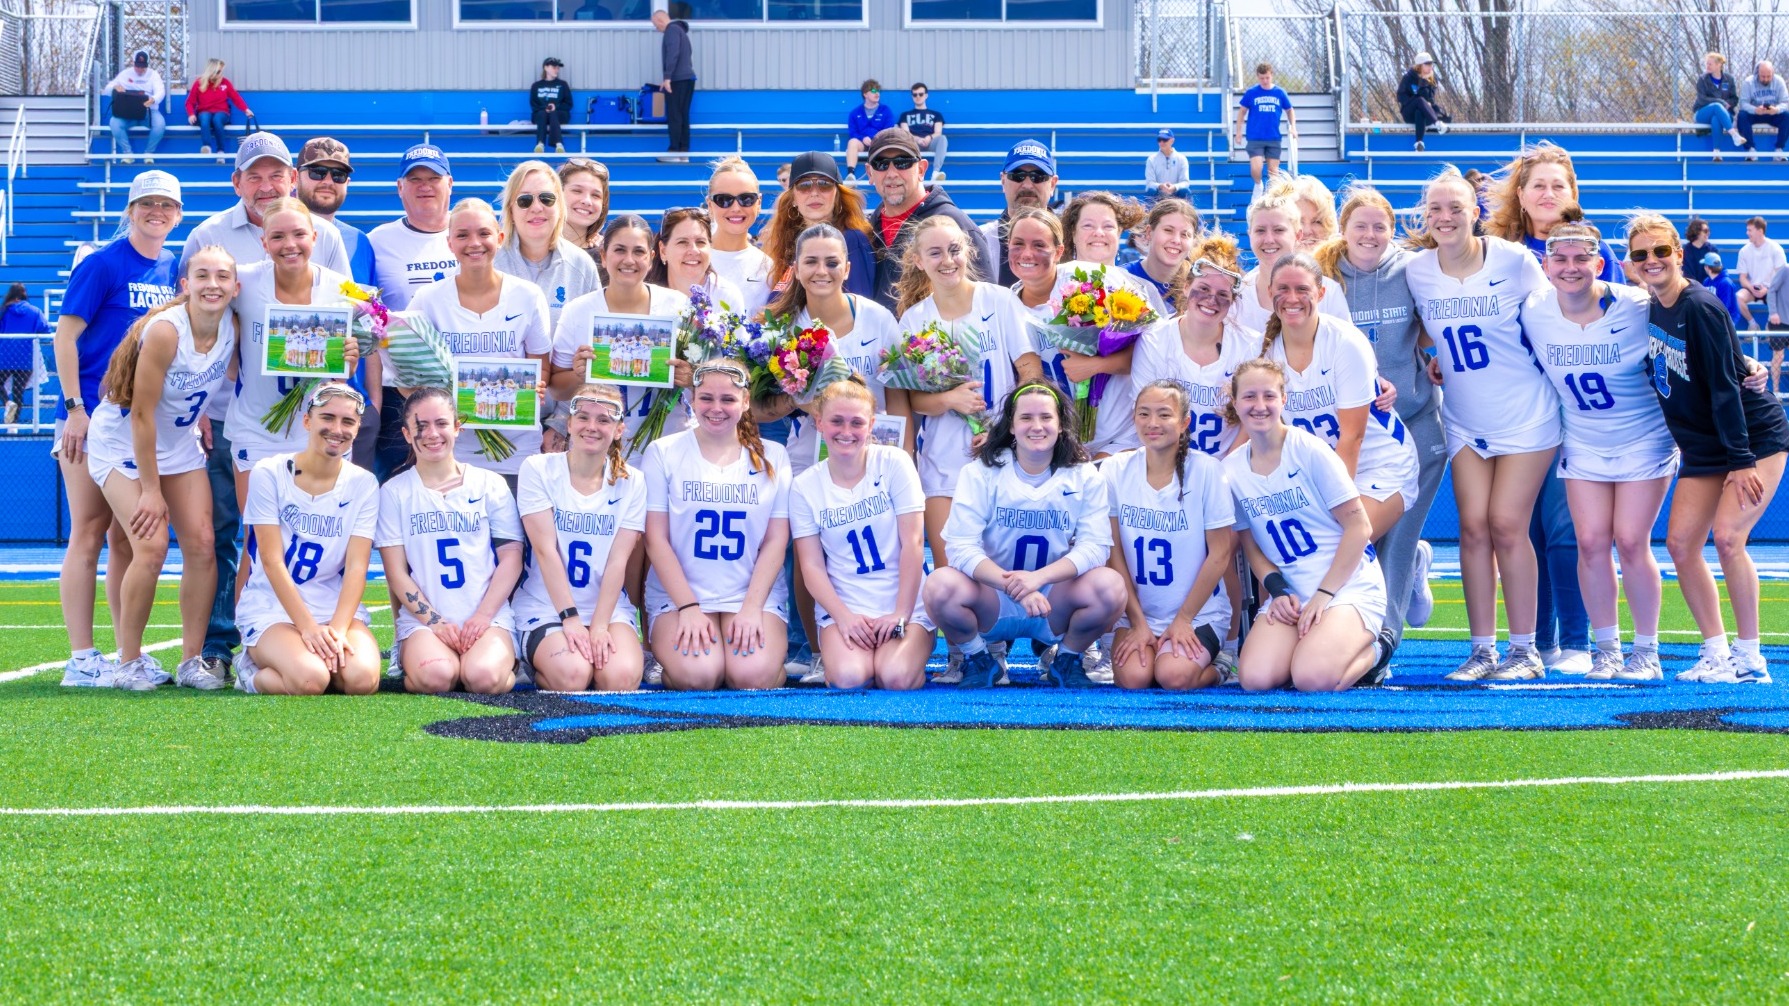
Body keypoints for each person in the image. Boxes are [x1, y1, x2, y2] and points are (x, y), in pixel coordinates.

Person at [1405, 167, 1556, 682]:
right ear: (1425, 216)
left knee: (1507, 525)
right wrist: (1431, 353)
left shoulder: (1514, 260)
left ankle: (1526, 651)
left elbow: (1555, 313)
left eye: (1456, 208)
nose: (1445, 217)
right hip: (1465, 417)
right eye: (1436, 209)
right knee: (1472, 529)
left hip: (1526, 412)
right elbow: (1419, 326)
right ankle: (1483, 650)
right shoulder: (1417, 269)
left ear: (1476, 213)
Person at [1628, 213, 1789, 683]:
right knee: (1680, 543)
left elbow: (1724, 388)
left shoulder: (1700, 306)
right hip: (1703, 444)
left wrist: (1740, 461)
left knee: (1728, 538)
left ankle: (1750, 657)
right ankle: (1716, 651)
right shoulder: (1654, 305)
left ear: (1680, 253)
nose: (1651, 260)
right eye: (1641, 254)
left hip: (1750, 437)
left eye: (1660, 251)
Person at [1523, 222, 1673, 681]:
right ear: (1545, 267)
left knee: (1630, 541)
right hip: (1583, 439)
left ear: (1599, 265)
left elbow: (1693, 328)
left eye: (1580, 259)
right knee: (1589, 543)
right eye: (1561, 260)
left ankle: (1646, 652)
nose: (1571, 268)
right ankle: (1606, 648)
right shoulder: (1533, 309)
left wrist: (1742, 361)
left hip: (1643, 436)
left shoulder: (1636, 304)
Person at [1485, 142, 1614, 674]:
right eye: (1538, 184)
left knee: (1568, 529)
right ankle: (1532, 642)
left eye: (1558, 185)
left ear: (1572, 194)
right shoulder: (1494, 252)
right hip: (1516, 410)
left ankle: (1578, 642)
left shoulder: (1592, 249)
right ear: (1521, 193)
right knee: (1522, 530)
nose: (1547, 193)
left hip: (1578, 412)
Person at [85, 247, 237, 691]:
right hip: (124, 441)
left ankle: (193, 660)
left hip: (177, 442)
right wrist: (151, 490)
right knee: (150, 546)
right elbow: (141, 416)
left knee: (204, 543)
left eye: (222, 276)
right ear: (185, 285)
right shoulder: (167, 332)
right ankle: (128, 662)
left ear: (235, 286)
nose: (213, 284)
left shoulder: (233, 326)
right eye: (202, 275)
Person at [53, 170, 181, 688]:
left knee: (125, 541)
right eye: (146, 203)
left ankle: (126, 652)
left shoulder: (173, 266)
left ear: (178, 214)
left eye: (166, 205)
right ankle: (81, 657)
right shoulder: (103, 263)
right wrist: (74, 408)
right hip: (89, 417)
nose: (156, 212)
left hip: (139, 423)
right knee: (86, 533)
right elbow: (65, 337)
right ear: (130, 210)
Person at [922, 383, 1125, 689]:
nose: (1037, 426)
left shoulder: (1084, 475)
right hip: (994, 598)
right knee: (939, 585)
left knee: (1110, 587)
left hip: (1053, 599)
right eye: (1026, 418)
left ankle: (1067, 661)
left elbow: (1095, 548)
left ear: (1061, 424)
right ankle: (980, 660)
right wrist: (1016, 585)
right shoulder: (980, 472)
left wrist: (1038, 579)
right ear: (1012, 425)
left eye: (1046, 417)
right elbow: (960, 547)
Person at [1313, 185, 1446, 646]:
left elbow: (1439, 323)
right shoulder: (1324, 278)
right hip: (1359, 430)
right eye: (1360, 226)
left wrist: (1435, 356)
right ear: (1343, 230)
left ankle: (1384, 638)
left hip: (1415, 415)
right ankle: (1407, 576)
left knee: (1400, 534)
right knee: (1360, 534)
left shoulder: (1413, 269)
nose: (1370, 235)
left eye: (1380, 226)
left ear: (1392, 229)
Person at [1224, 359, 1390, 691]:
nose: (1260, 406)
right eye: (1249, 397)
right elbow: (1251, 545)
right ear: (1235, 402)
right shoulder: (1231, 470)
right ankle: (1315, 646)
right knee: (1255, 679)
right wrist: (1277, 590)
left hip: (1345, 586)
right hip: (1293, 593)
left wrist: (1323, 596)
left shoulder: (1309, 450)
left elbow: (1360, 528)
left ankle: (1378, 651)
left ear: (1283, 399)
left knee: (1311, 678)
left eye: (1269, 396)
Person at [640, 360, 793, 690]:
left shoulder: (774, 455)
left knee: (752, 677)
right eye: (706, 398)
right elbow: (656, 540)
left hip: (751, 594)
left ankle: (759, 661)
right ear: (692, 399)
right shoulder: (663, 452)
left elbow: (776, 541)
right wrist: (689, 607)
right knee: (698, 676)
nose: (716, 408)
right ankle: (671, 658)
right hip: (683, 594)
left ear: (746, 401)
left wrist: (752, 608)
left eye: (728, 399)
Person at [895, 215, 1036, 569]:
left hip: (1003, 454)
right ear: (918, 260)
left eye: (955, 250)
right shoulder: (914, 319)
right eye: (935, 253)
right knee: (951, 573)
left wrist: (1002, 429)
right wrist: (948, 400)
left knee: (1002, 568)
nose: (947, 260)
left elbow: (1029, 370)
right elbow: (913, 400)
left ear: (968, 251)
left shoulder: (999, 301)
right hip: (942, 462)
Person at [231, 384, 381, 695]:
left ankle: (315, 652)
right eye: (327, 417)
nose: (336, 429)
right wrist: (309, 629)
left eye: (348, 422)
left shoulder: (364, 484)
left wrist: (337, 631)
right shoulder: (269, 473)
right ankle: (249, 673)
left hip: (332, 606)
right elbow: (271, 561)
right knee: (312, 680)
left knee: (362, 680)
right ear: (307, 421)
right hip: (273, 607)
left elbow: (356, 566)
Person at [1260, 251, 1419, 544]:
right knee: (1286, 548)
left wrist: (1329, 506)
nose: (1292, 297)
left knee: (1335, 544)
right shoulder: (1268, 354)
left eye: (1302, 289)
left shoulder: (1345, 343)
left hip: (1379, 464)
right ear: (1270, 292)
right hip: (1319, 472)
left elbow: (1352, 439)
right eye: (1282, 289)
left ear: (1320, 293)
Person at [377, 387, 523, 694]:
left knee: (483, 678)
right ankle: (415, 660)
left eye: (441, 423)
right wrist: (435, 622)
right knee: (438, 677)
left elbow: (511, 557)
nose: (432, 433)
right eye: (421, 426)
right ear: (406, 434)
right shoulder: (394, 491)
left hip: (486, 616)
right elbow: (396, 572)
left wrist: (483, 616)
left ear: (458, 426)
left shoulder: (490, 484)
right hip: (426, 621)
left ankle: (508, 665)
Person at [790, 379, 933, 690]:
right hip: (846, 604)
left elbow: (913, 543)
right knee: (847, 679)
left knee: (895, 678)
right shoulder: (804, 486)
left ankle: (911, 647)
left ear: (871, 425)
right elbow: (811, 566)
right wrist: (844, 617)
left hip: (899, 601)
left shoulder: (894, 462)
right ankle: (860, 652)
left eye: (857, 422)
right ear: (819, 423)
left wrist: (900, 614)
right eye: (836, 421)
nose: (846, 431)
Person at [226, 198, 358, 516]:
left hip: (319, 431)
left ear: (314, 237)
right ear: (264, 242)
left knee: (318, 533)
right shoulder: (242, 283)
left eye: (299, 234)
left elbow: (344, 372)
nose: (290, 245)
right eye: (278, 237)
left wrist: (349, 360)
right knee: (259, 538)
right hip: (256, 429)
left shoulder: (344, 290)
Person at [513, 386, 647, 692]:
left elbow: (618, 560)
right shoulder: (539, 468)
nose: (592, 427)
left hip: (606, 607)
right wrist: (570, 619)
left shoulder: (632, 481)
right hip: (546, 606)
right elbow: (546, 552)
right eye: (583, 417)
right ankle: (533, 662)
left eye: (603, 420)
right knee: (573, 676)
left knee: (620, 679)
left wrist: (599, 626)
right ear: (569, 424)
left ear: (618, 429)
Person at [408, 198, 552, 480]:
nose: (474, 243)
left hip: (517, 449)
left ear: (499, 238)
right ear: (449, 243)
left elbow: (542, 366)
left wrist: (534, 387)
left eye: (484, 233)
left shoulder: (528, 295)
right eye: (462, 235)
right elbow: (408, 381)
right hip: (451, 452)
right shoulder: (428, 300)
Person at [1105, 380, 1234, 691]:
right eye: (1144, 414)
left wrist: (1184, 620)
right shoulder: (1115, 470)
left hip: (1197, 613)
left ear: (1184, 422)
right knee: (1134, 679)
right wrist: (1137, 622)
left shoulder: (1206, 471)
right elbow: (1114, 551)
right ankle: (1146, 637)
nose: (1153, 424)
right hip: (1140, 611)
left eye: (1164, 415)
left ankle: (1221, 668)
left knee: (1173, 677)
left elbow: (1221, 554)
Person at [551, 215, 691, 454]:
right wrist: (580, 375)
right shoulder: (578, 311)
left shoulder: (678, 306)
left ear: (652, 258)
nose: (629, 260)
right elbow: (556, 388)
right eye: (619, 250)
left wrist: (689, 377)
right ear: (603, 256)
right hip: (598, 448)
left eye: (638, 251)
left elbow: (702, 379)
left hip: (666, 443)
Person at [369, 143, 457, 481]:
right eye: (414, 178)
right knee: (401, 485)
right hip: (400, 392)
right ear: (399, 188)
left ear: (450, 184)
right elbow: (370, 319)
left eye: (433, 178)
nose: (424, 186)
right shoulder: (378, 242)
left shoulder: (473, 234)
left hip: (465, 387)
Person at [180, 132, 349, 276]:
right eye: (255, 177)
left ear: (292, 179)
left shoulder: (327, 235)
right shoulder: (206, 236)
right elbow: (186, 304)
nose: (267, 187)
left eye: (276, 176)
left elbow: (346, 303)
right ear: (237, 183)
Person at [865, 128, 983, 311]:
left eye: (902, 163)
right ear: (870, 173)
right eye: (881, 164)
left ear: (921, 169)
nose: (892, 173)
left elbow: (984, 308)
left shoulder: (955, 225)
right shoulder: (865, 230)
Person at [493, 159, 601, 327]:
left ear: (560, 207)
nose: (536, 208)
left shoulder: (582, 266)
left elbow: (594, 333)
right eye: (525, 200)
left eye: (546, 198)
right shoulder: (488, 263)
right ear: (510, 210)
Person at [762, 151, 876, 299]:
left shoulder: (852, 240)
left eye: (824, 184)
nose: (814, 193)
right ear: (793, 199)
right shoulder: (791, 244)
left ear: (836, 196)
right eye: (804, 185)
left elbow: (859, 310)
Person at [1237, 188, 1349, 331]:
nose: (1269, 239)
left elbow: (1346, 347)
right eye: (1260, 230)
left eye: (1279, 230)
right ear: (1249, 235)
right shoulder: (1238, 296)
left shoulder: (1330, 293)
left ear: (1298, 235)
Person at [296, 138, 376, 288]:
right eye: (317, 172)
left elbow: (371, 306)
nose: (328, 181)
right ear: (295, 178)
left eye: (338, 175)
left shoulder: (359, 241)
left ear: (348, 183)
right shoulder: (273, 232)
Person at [979, 140, 1058, 287]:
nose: (1027, 185)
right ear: (1003, 180)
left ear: (1052, 184)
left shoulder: (1073, 239)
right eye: (1017, 175)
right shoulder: (981, 240)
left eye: (1038, 176)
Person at [705, 157, 774, 318]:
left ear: (759, 203)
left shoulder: (769, 268)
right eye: (724, 200)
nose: (736, 208)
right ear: (709, 204)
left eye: (746, 199)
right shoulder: (692, 260)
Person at [649, 205, 745, 312]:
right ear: (663, 251)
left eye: (700, 242)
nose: (694, 250)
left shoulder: (727, 296)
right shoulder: (646, 297)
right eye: (682, 242)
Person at [1124, 198, 1199, 313]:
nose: (1176, 240)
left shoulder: (1199, 286)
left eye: (1185, 234)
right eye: (1168, 230)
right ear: (1149, 233)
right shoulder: (1123, 278)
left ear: (1193, 241)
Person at [1234, 62, 1295, 192]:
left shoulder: (1279, 92)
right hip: (1255, 137)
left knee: (1274, 172)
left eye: (1267, 78)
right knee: (1256, 168)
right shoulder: (1252, 92)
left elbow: (1290, 110)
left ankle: (1272, 197)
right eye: (1262, 78)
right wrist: (1238, 132)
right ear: (1257, 77)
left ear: (1271, 75)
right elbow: (1241, 112)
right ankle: (1258, 185)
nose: (1265, 81)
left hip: (1273, 137)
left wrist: (1293, 127)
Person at [0, 282, 49, 425]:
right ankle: (13, 425)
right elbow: (45, 330)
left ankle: (7, 402)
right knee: (18, 390)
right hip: (26, 357)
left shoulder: (4, 311)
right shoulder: (35, 311)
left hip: (4, 357)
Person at [184, 58, 250, 162]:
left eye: (221, 71)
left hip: (222, 112)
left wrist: (245, 109)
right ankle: (206, 146)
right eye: (218, 71)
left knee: (217, 120)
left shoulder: (225, 83)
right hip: (204, 112)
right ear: (211, 71)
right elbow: (189, 102)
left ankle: (221, 151)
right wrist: (191, 114)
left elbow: (235, 97)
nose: (220, 74)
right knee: (205, 118)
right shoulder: (199, 83)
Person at [652, 5, 696, 163]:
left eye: (655, 24)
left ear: (660, 19)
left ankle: (674, 151)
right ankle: (684, 152)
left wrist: (667, 77)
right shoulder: (681, 32)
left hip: (677, 79)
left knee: (674, 114)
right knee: (683, 115)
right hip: (688, 78)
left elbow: (673, 54)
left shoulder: (671, 30)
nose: (656, 27)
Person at [107, 50, 165, 164]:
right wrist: (115, 87)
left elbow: (160, 91)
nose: (140, 69)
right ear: (134, 63)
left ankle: (149, 153)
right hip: (128, 113)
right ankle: (127, 153)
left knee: (160, 124)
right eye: (137, 66)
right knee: (114, 123)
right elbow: (108, 89)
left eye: (143, 67)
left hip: (148, 112)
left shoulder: (154, 75)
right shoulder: (125, 74)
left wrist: (153, 99)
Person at [1736, 216, 1784, 332]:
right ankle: (1752, 324)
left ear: (1760, 231)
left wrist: (1767, 289)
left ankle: (1770, 325)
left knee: (1781, 296)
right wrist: (1751, 288)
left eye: (1750, 230)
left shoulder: (1775, 248)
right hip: (1753, 288)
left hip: (1772, 288)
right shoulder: (1744, 251)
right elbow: (1742, 278)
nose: (1747, 233)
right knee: (1738, 297)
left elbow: (1781, 276)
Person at [1694, 52, 1745, 161]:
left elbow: (1734, 99)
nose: (1707, 66)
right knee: (1717, 106)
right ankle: (1734, 134)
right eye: (1706, 64)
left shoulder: (1729, 79)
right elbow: (1701, 99)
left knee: (1717, 118)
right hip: (1703, 113)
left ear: (1719, 65)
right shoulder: (1702, 79)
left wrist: (1728, 104)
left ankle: (1716, 152)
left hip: (1726, 115)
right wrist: (1720, 102)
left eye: (1710, 64)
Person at [1397, 52, 1450, 152]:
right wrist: (1414, 100)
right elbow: (1401, 96)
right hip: (1408, 112)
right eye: (1427, 64)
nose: (1430, 67)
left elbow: (1430, 98)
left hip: (1425, 114)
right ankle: (1438, 124)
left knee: (1420, 110)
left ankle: (1419, 143)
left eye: (1431, 64)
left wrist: (1424, 82)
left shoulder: (1432, 79)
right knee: (1419, 101)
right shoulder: (1408, 78)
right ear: (1419, 66)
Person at [558, 158, 611, 258]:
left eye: (595, 195)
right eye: (577, 191)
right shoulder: (529, 249)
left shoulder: (607, 258)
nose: (587, 201)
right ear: (558, 193)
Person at [1737, 60, 1789, 160]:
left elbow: (1785, 102)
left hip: (1772, 113)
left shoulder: (1779, 81)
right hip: (1755, 113)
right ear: (1758, 73)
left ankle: (1779, 150)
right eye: (1763, 76)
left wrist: (1776, 109)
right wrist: (1755, 109)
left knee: (1786, 116)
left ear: (1773, 73)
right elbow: (1743, 103)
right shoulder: (1749, 82)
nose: (1765, 79)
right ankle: (1750, 150)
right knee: (1742, 116)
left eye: (1768, 76)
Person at [844, 80, 894, 182]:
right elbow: (853, 132)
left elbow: (889, 130)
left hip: (879, 142)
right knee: (852, 142)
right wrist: (863, 138)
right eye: (874, 91)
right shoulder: (855, 113)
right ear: (865, 94)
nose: (877, 93)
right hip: (862, 143)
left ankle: (882, 173)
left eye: (878, 91)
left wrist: (876, 138)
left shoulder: (885, 110)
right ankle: (851, 174)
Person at [898, 82, 948, 182]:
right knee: (905, 140)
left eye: (921, 94)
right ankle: (911, 174)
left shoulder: (936, 114)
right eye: (915, 95)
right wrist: (918, 139)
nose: (918, 97)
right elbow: (905, 133)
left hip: (930, 142)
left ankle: (935, 173)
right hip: (913, 143)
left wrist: (929, 138)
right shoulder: (905, 115)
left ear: (926, 95)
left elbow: (938, 132)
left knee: (942, 139)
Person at [529, 57, 572, 155]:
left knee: (553, 113)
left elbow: (569, 104)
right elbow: (533, 104)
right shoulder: (536, 86)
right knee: (542, 113)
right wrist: (545, 108)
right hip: (540, 115)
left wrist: (555, 107)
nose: (556, 70)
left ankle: (557, 144)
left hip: (560, 114)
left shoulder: (562, 85)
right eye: (554, 67)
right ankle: (542, 144)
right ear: (546, 68)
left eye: (558, 68)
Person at [1144, 129, 1192, 202]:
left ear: (1172, 141)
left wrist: (1175, 187)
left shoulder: (1181, 158)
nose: (1161, 142)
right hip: (1159, 194)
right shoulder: (1152, 159)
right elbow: (1149, 183)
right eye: (1159, 140)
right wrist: (1160, 186)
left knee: (1185, 191)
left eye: (1165, 139)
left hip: (1176, 194)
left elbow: (1185, 182)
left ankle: (1187, 213)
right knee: (1151, 190)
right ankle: (1149, 213)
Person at [1703, 251, 1745, 330]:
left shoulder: (1726, 283)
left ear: (1707, 268)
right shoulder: (1706, 281)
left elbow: (1724, 307)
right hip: (1712, 320)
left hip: (1726, 322)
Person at [1681, 217, 1716, 283]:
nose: (1708, 233)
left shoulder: (1712, 250)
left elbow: (1716, 273)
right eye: (1705, 231)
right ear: (1696, 232)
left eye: (1709, 231)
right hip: (1692, 287)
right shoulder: (1685, 251)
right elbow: (1687, 274)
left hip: (1709, 287)